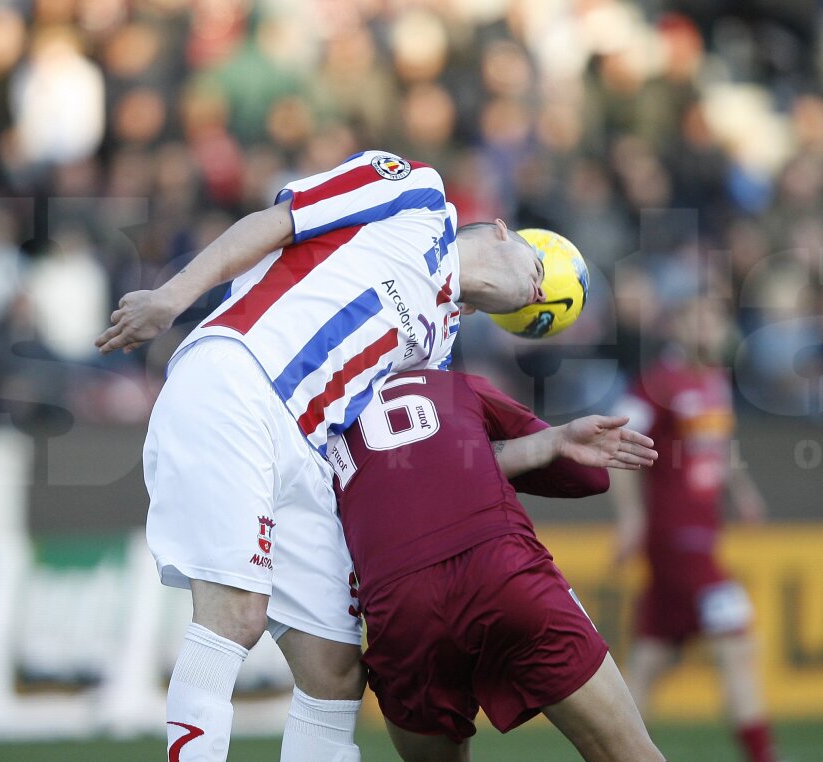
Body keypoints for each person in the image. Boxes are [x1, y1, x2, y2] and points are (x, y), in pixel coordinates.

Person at [96, 149, 552, 762]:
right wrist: (172, 297)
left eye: (542, 305)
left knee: (335, 670)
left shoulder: (440, 343)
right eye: (541, 267)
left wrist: (550, 444)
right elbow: (275, 224)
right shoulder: (417, 193)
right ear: (500, 230)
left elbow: (414, 455)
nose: (540, 291)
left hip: (310, 454)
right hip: (239, 376)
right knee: (235, 614)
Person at [327, 368, 665, 762]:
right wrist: (544, 442)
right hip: (500, 567)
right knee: (629, 754)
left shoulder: (315, 420)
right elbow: (587, 477)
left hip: (400, 600)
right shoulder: (453, 383)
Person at [609, 298, 778, 762]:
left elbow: (720, 446)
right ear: (678, 326)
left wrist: (742, 491)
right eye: (697, 317)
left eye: (715, 318)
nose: (708, 326)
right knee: (739, 641)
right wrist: (631, 517)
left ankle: (612, 753)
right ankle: (763, 756)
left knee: (649, 658)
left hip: (703, 531)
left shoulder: (715, 380)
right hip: (676, 537)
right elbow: (617, 447)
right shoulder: (657, 384)